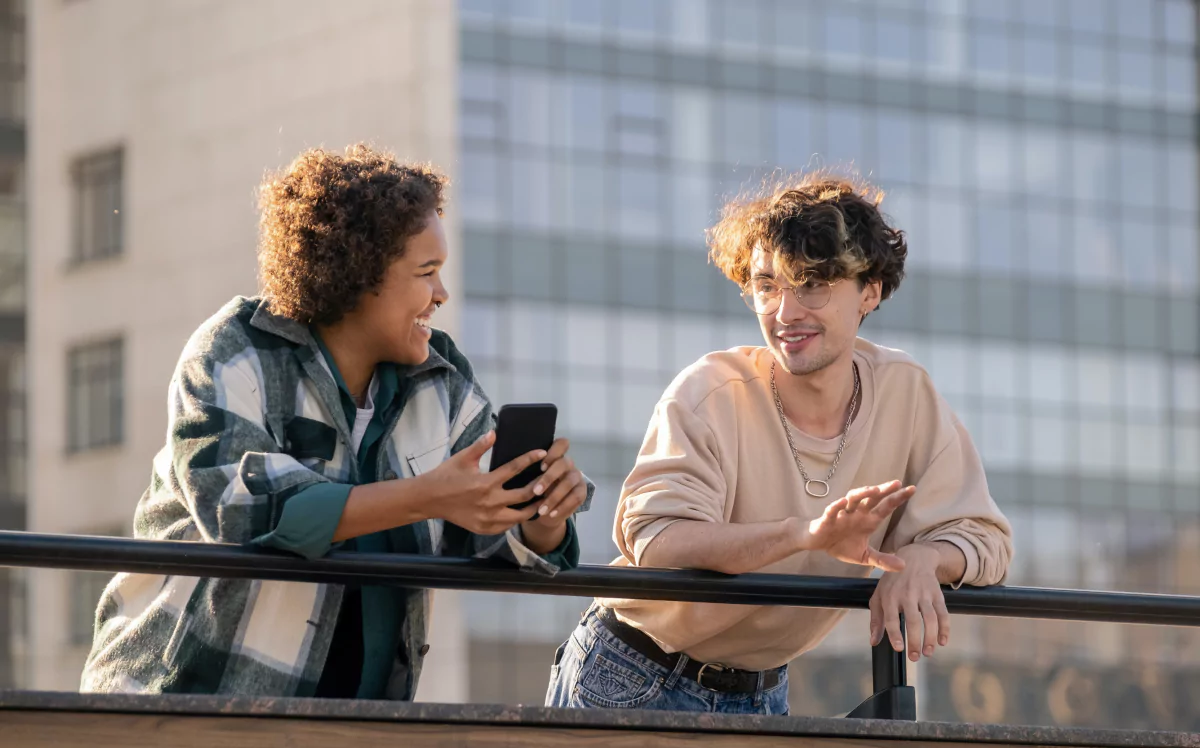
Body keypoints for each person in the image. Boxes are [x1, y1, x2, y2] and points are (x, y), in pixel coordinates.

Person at [82, 145, 591, 698]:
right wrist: (426, 496)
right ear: (359, 274)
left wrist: (543, 513)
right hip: (179, 703)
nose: (441, 294)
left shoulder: (442, 380)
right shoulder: (233, 351)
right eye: (427, 272)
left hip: (358, 725)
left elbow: (488, 534)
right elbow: (243, 513)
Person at [546, 173, 1012, 715]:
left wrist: (923, 559)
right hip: (636, 671)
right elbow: (658, 540)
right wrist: (804, 536)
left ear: (871, 289)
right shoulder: (711, 392)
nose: (786, 313)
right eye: (767, 286)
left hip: (764, 689)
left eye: (812, 284)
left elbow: (985, 539)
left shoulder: (906, 392)